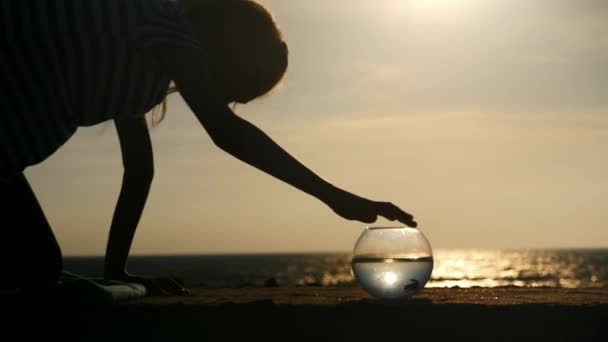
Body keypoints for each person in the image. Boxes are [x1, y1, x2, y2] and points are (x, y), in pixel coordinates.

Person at [0, 0, 416, 294]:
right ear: (232, 43)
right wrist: (332, 195)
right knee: (37, 270)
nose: (245, 97)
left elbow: (139, 169)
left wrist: (115, 272)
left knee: (39, 269)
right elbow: (226, 131)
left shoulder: (144, 57)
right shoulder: (165, 29)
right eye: (253, 80)